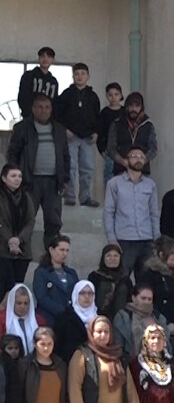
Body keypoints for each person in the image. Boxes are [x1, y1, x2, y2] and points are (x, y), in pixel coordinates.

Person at [7, 94, 70, 247]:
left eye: (47, 107)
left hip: (53, 182)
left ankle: (52, 253)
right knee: (24, 218)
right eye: (40, 107)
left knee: (53, 221)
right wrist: (15, 176)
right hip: (29, 181)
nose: (44, 111)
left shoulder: (59, 129)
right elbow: (13, 153)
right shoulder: (22, 128)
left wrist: (66, 179)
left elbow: (65, 156)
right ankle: (21, 252)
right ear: (33, 109)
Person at [103, 145, 159, 280]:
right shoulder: (114, 183)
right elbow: (109, 212)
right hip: (124, 240)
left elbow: (154, 213)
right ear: (126, 160)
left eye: (141, 157)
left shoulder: (150, 185)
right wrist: (111, 239)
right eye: (134, 156)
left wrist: (157, 238)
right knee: (122, 279)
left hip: (146, 240)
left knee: (146, 281)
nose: (138, 159)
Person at [55, 63, 101, 207]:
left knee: (88, 168)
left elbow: (97, 117)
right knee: (71, 167)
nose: (80, 76)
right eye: (77, 74)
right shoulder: (66, 94)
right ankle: (70, 196)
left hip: (87, 138)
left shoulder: (93, 96)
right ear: (73, 76)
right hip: (71, 137)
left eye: (83, 73)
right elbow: (57, 115)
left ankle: (85, 197)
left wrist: (96, 132)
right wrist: (64, 130)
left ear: (88, 76)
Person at [0, 163, 37, 283]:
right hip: (3, 250)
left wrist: (19, 240)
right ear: (4, 178)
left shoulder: (26, 196)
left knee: (18, 285)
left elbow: (30, 220)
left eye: (20, 176)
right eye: (13, 176)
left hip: (23, 250)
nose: (17, 179)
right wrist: (10, 240)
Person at [107, 91, 157, 176]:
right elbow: (111, 148)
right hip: (120, 170)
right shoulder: (117, 124)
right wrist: (123, 162)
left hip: (142, 171)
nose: (134, 109)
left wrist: (140, 162)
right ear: (127, 107)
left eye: (137, 106)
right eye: (131, 106)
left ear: (142, 107)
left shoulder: (148, 125)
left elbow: (153, 149)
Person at [32, 235, 79, 327]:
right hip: (49, 317)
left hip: (70, 317)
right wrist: (61, 311)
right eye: (61, 250)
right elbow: (42, 297)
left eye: (67, 250)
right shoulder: (41, 272)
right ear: (51, 250)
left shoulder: (71, 273)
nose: (64, 253)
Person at [113, 284, 169, 357]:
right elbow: (118, 344)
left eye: (149, 299)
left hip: (159, 360)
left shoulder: (158, 317)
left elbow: (167, 344)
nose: (146, 302)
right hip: (132, 360)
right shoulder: (122, 317)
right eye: (143, 298)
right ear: (133, 298)